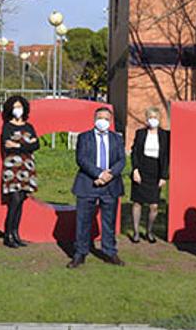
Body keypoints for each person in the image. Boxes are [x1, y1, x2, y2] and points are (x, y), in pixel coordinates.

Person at [68, 106, 125, 268]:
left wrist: (109, 175)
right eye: (100, 118)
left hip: (111, 185)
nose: (103, 121)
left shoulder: (117, 139)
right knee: (83, 221)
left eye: (106, 119)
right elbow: (81, 159)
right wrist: (99, 174)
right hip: (88, 184)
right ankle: (80, 253)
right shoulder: (84, 137)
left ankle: (110, 252)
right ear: (94, 119)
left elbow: (122, 160)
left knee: (109, 221)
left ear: (111, 121)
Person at [0, 95, 39, 248]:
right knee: (14, 200)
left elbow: (36, 145)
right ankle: (8, 234)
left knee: (21, 200)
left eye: (20, 106)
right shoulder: (7, 127)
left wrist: (17, 146)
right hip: (12, 168)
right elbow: (6, 145)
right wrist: (26, 144)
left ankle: (16, 233)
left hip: (27, 167)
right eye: (15, 107)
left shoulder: (29, 126)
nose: (18, 110)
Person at [130, 106, 170, 243]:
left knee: (154, 205)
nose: (153, 120)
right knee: (137, 203)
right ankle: (136, 232)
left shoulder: (165, 135)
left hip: (156, 171)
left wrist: (164, 176)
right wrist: (135, 170)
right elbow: (134, 152)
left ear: (159, 119)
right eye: (150, 117)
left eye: (155, 117)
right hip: (141, 169)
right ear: (146, 119)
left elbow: (166, 157)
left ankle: (149, 231)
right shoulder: (140, 133)